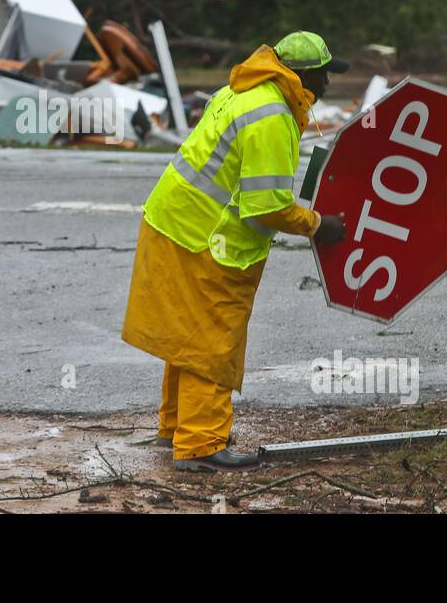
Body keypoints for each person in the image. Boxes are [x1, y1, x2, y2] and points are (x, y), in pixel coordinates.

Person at [121, 31, 348, 472]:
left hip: (173, 222)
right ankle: (202, 444)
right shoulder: (272, 115)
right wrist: (320, 225)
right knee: (210, 339)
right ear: (303, 76)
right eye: (324, 75)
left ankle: (176, 427)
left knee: (186, 334)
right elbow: (267, 207)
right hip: (209, 239)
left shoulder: (239, 92)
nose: (328, 86)